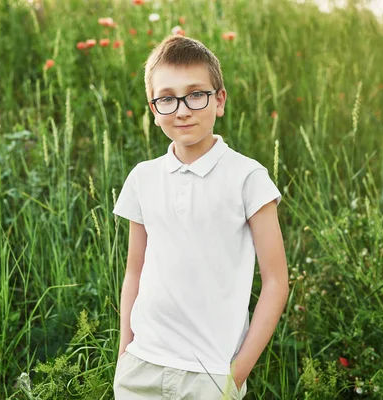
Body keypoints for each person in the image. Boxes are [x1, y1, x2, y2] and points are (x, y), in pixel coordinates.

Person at [112, 35, 289, 399]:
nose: (181, 109)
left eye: (196, 94)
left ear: (219, 100)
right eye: (167, 98)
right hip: (141, 369)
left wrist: (234, 376)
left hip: (210, 376)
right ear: (153, 108)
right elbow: (135, 270)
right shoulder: (143, 178)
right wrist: (123, 355)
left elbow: (276, 282)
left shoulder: (248, 178)